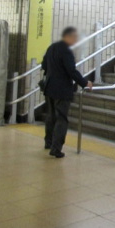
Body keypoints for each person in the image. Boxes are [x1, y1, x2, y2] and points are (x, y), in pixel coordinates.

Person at [41, 27, 93, 158]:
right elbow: (71, 71)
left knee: (51, 116)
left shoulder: (52, 47)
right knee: (61, 119)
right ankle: (56, 148)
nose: (76, 40)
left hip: (49, 87)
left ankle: (48, 142)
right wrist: (85, 83)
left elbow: (44, 65)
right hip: (62, 90)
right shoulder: (66, 51)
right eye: (74, 37)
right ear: (68, 36)